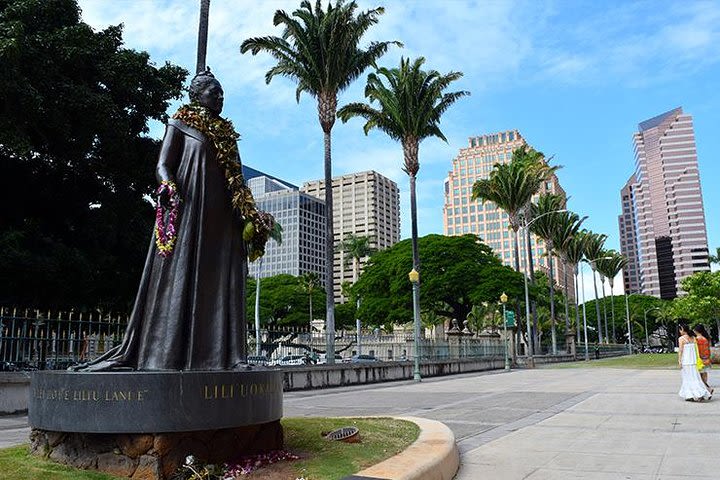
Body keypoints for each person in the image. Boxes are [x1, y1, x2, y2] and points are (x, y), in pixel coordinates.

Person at [75, 70, 269, 371]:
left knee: (223, 281)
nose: (220, 97)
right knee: (182, 275)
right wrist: (167, 186)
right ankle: (169, 356)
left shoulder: (227, 135)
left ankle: (232, 357)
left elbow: (237, 180)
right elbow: (163, 165)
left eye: (222, 93)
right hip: (190, 210)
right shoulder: (179, 124)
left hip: (222, 220)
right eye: (214, 92)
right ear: (197, 95)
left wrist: (251, 214)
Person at [677, 323, 711, 401]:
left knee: (687, 378)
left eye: (680, 330)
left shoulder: (681, 339)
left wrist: (679, 360)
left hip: (686, 361)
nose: (679, 332)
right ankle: (699, 394)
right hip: (694, 361)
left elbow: (681, 350)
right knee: (696, 378)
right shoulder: (693, 337)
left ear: (682, 329)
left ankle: (690, 395)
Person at [693, 324, 714, 398]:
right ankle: (706, 390)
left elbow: (697, 351)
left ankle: (707, 389)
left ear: (696, 331)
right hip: (707, 359)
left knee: (699, 378)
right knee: (704, 376)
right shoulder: (706, 338)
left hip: (700, 360)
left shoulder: (697, 339)